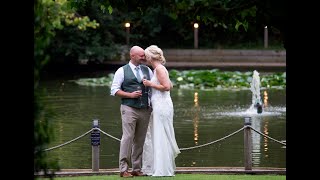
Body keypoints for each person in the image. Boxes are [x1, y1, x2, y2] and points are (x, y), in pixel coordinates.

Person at [110, 45, 153, 178]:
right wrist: (130, 95)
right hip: (129, 108)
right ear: (132, 55)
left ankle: (136, 169)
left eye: (144, 55)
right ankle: (123, 170)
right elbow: (114, 90)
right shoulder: (122, 71)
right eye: (141, 55)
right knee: (127, 138)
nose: (143, 57)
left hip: (145, 109)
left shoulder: (147, 70)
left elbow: (154, 88)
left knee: (140, 140)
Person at [141, 45, 181, 176]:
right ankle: (160, 167)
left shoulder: (158, 69)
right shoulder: (159, 69)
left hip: (161, 105)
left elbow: (167, 87)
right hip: (160, 104)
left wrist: (150, 84)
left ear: (151, 57)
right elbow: (170, 84)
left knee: (160, 134)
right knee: (159, 134)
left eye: (146, 56)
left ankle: (162, 169)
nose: (145, 58)